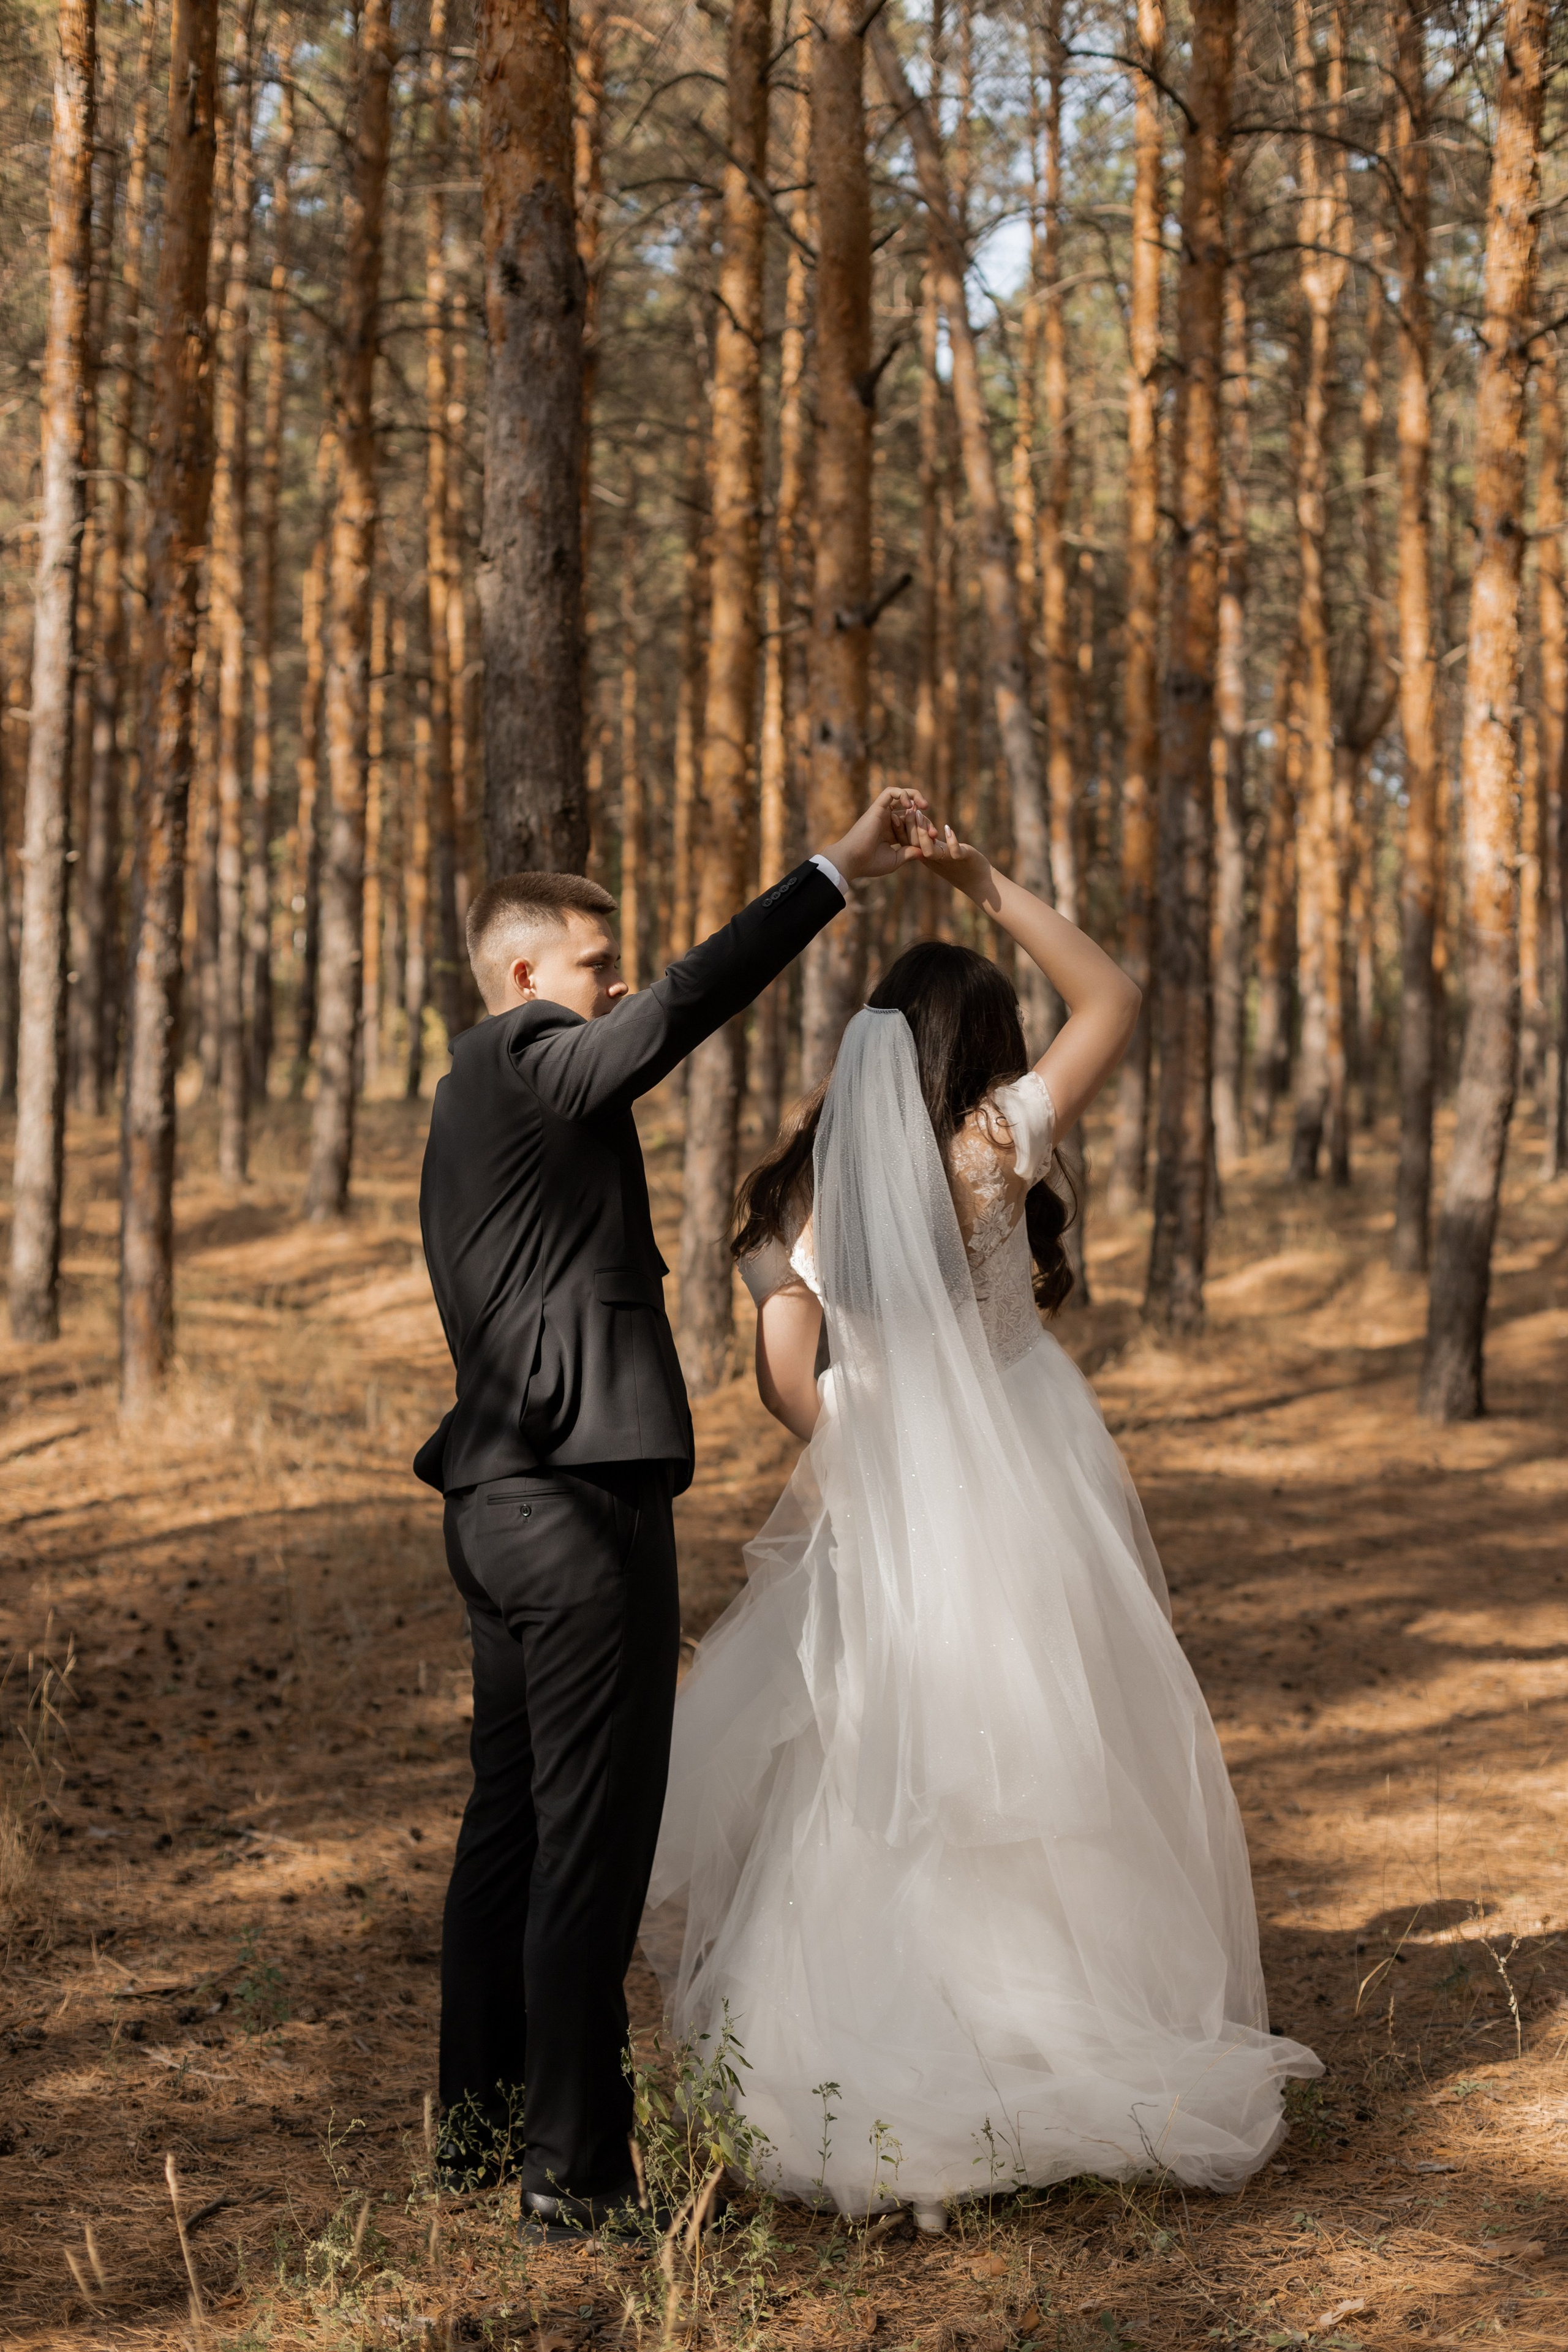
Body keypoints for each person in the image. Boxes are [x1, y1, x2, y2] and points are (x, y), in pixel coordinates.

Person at [647, 827, 1321, 2231]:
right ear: (988, 1048)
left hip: (896, 1487)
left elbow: (785, 1383)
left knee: (872, 1757)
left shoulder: (808, 1195)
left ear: (876, 1046)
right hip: (1024, 1469)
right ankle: (1063, 2019)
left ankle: (866, 2050)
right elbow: (1113, 996)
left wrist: (871, 1455)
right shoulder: (997, 1142)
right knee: (1052, 1740)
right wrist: (978, 883)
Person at [414, 788, 935, 2240]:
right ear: (526, 975)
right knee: (586, 1842)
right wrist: (830, 872)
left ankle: (477, 2135)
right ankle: (573, 2179)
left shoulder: (471, 1095)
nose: (618, 986)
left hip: (499, 1505)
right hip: (577, 1506)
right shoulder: (531, 1062)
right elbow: (684, 1006)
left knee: (511, 1829)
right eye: (596, 965)